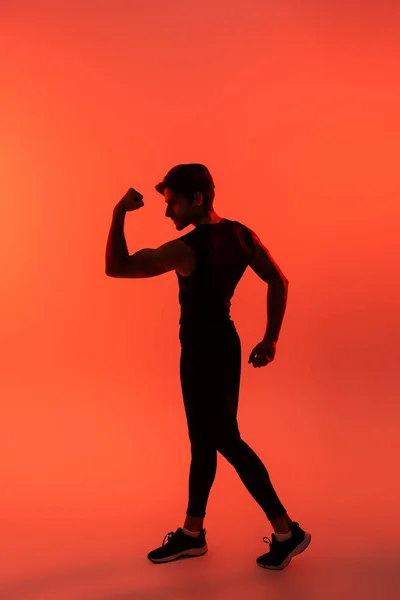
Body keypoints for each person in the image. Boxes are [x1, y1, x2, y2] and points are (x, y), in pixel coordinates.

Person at [105, 163, 311, 570]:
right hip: (225, 346)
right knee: (203, 441)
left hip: (201, 351)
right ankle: (192, 533)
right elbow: (278, 279)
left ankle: (288, 531)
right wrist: (271, 338)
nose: (169, 214)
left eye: (173, 204)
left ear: (197, 199)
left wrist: (117, 213)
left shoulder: (186, 249)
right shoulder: (241, 235)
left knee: (225, 440)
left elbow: (117, 267)